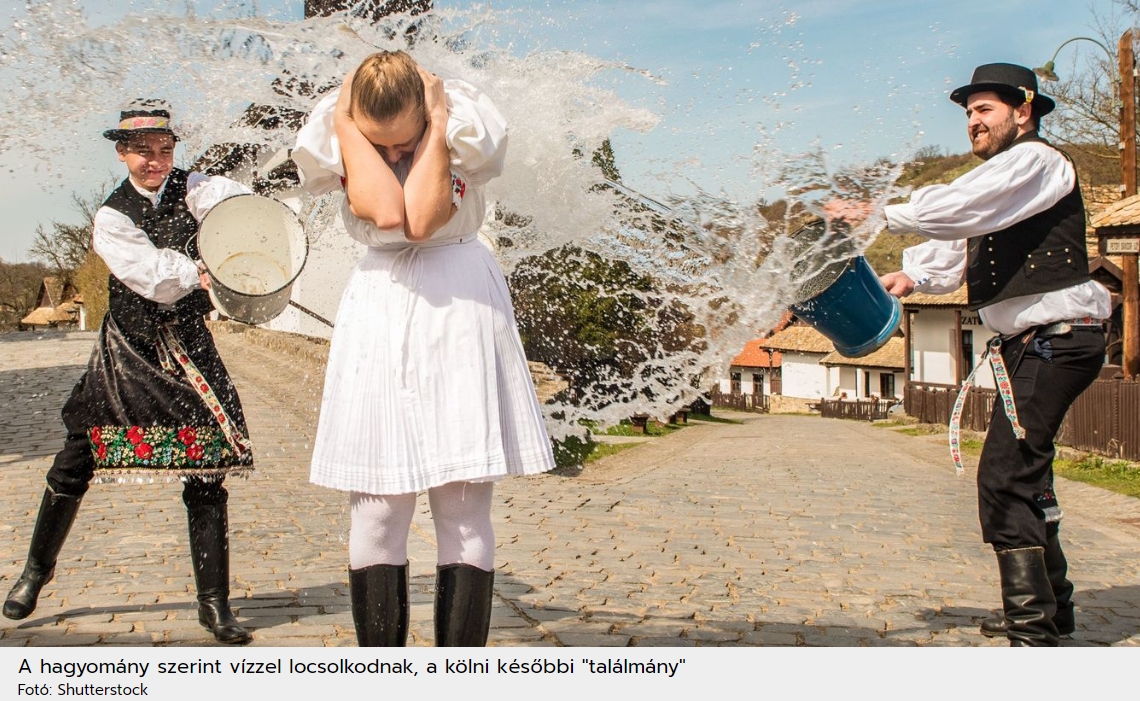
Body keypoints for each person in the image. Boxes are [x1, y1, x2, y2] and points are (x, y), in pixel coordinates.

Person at [291, 50, 556, 647]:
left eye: (402, 140)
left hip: (460, 301)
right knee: (378, 506)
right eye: (375, 143)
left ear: (426, 106)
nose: (391, 156)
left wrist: (436, 126)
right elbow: (386, 211)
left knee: (462, 508)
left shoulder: (462, 119)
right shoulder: (333, 123)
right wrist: (342, 123)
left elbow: (422, 219)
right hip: (380, 303)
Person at [2, 101, 256, 645]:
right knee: (75, 458)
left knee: (207, 471)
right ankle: (33, 574)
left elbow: (239, 208)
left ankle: (215, 606)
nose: (156, 162)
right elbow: (156, 279)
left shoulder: (196, 187)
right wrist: (202, 269)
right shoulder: (112, 216)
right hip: (130, 350)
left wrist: (247, 232)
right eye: (143, 152)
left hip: (189, 347)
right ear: (122, 153)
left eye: (165, 151)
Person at [875, 63, 1111, 646]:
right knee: (1025, 475)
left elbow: (958, 208)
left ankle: (1033, 635)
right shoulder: (1001, 188)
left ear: (1023, 110)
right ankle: (1052, 612)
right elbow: (958, 242)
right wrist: (908, 276)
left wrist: (880, 210)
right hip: (1037, 344)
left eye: (984, 110)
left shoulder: (1036, 162)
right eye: (968, 114)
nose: (973, 123)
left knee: (1005, 476)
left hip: (1056, 338)